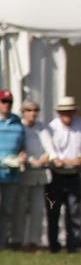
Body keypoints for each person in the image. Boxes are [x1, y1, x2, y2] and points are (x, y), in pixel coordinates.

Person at [47, 96, 81, 253]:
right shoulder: (52, 127)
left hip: (73, 175)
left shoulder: (80, 124)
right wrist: (65, 160)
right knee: (54, 211)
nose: (67, 115)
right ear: (59, 113)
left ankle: (72, 246)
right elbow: (50, 151)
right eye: (64, 112)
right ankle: (54, 246)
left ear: (74, 111)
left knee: (74, 211)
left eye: (69, 111)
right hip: (56, 174)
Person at [13, 100, 54, 252]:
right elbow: (18, 148)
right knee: (20, 209)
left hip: (40, 175)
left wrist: (45, 158)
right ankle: (17, 240)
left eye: (35, 110)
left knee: (38, 210)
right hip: (24, 174)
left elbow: (50, 148)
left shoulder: (42, 128)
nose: (33, 113)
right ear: (23, 112)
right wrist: (31, 160)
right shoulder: (19, 127)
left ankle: (34, 241)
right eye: (29, 110)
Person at [0, 89, 26, 249]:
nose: (6, 105)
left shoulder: (17, 122)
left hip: (12, 173)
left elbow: (22, 145)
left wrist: (22, 156)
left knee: (8, 210)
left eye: (9, 102)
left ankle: (2, 243)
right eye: (3, 101)